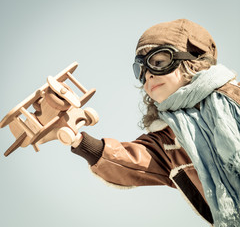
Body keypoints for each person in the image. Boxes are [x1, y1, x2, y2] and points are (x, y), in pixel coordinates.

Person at [70, 19, 240, 226]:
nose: (148, 74)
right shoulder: (167, 140)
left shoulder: (234, 98)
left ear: (192, 61)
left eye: (158, 62)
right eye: (140, 69)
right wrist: (74, 136)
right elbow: (128, 161)